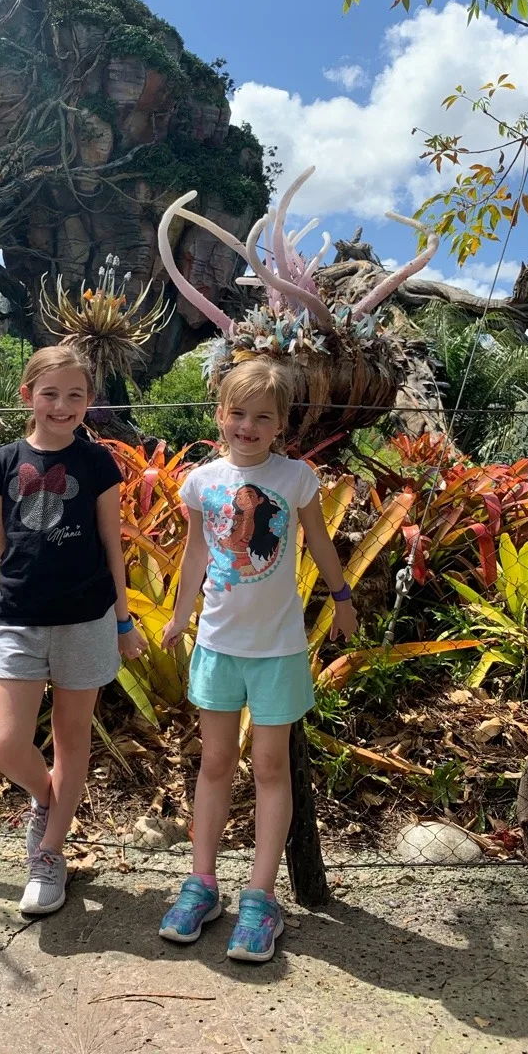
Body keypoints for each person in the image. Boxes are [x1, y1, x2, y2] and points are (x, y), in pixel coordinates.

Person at [158, 357, 357, 962]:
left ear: (280, 425)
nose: (247, 425)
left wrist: (342, 597)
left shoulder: (296, 478)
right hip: (218, 646)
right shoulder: (201, 481)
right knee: (214, 764)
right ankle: (203, 884)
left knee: (272, 769)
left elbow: (319, 541)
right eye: (237, 413)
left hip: (278, 651)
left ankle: (261, 897)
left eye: (261, 417)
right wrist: (177, 613)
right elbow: (195, 555)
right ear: (221, 415)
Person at [0, 344, 146, 916]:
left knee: (71, 736)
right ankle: (47, 802)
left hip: (88, 617)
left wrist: (125, 621)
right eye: (50, 393)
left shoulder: (97, 463)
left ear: (89, 401)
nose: (63, 405)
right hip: (21, 619)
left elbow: (111, 545)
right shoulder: (1, 463)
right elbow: (1, 545)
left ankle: (49, 855)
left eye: (76, 395)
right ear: (28, 396)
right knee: (4, 743)